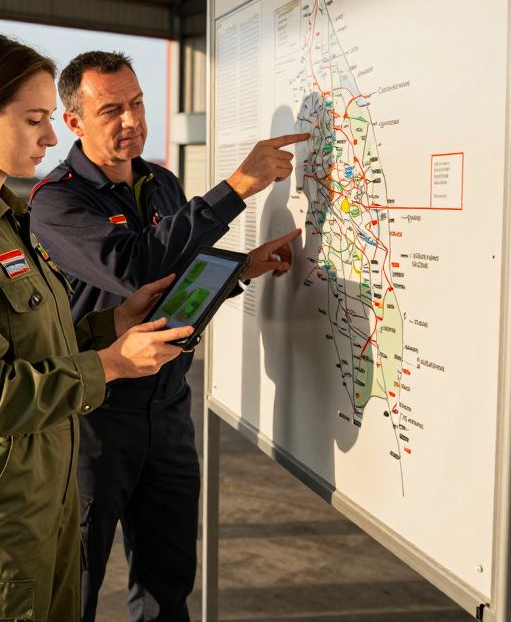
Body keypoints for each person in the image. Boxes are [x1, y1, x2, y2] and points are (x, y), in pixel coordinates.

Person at [0, 35, 196, 621]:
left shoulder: (7, 222)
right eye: (34, 120)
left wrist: (113, 324)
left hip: (41, 500)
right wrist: (112, 363)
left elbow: (40, 343)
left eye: (50, 119)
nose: (51, 138)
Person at [28, 50, 306, 622]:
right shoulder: (56, 202)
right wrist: (235, 188)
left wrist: (242, 269)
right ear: (74, 122)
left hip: (169, 410)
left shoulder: (163, 185)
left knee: (168, 584)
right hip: (94, 420)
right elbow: (132, 267)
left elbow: (180, 286)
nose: (130, 121)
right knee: (72, 587)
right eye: (111, 110)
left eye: (136, 104)